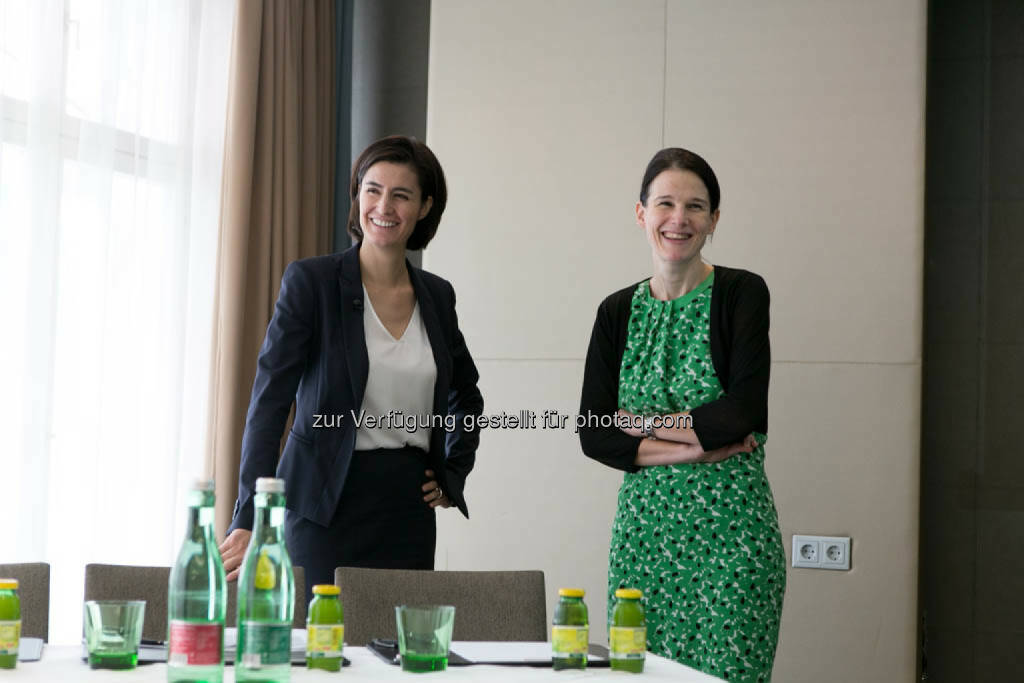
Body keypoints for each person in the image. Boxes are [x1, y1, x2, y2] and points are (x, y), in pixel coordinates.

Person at [219, 136, 483, 593]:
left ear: (424, 207)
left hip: (405, 509)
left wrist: (452, 475)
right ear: (358, 195)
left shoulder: (437, 297)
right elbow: (269, 404)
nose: (384, 205)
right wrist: (250, 515)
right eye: (373, 189)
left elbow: (468, 396)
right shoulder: (312, 283)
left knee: (400, 652)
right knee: (317, 651)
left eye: (402, 195)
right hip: (322, 504)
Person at [579, 148, 785, 682]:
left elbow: (741, 414)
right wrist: (695, 443)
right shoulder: (615, 311)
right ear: (641, 213)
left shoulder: (742, 293)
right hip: (643, 540)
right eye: (665, 203)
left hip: (732, 540)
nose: (680, 218)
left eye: (696, 206)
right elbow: (594, 433)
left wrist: (643, 424)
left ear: (714, 219)